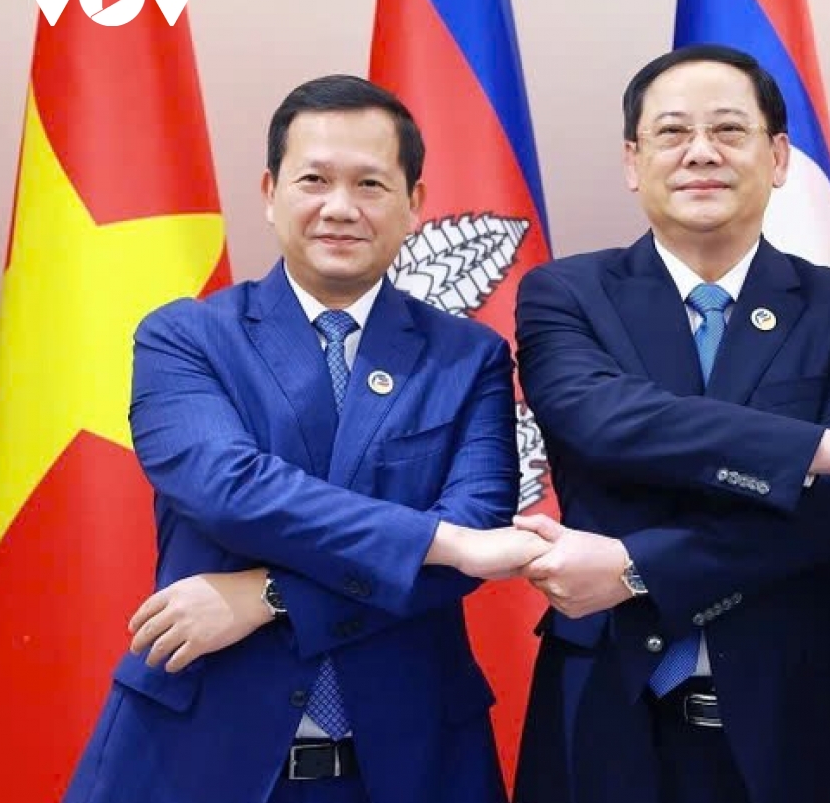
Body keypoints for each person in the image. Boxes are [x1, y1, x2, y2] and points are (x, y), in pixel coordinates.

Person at [64, 75, 547, 803]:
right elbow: (231, 490)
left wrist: (270, 595)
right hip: (196, 752)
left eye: (371, 184)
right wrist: (437, 541)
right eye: (314, 179)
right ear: (269, 191)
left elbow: (476, 534)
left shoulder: (467, 356)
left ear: (416, 203)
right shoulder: (184, 338)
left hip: (411, 758)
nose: (340, 207)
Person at [509, 44, 830, 803]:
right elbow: (605, 424)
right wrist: (819, 450)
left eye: (729, 131)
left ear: (778, 157)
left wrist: (637, 569)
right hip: (608, 697)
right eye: (672, 133)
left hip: (799, 710)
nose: (701, 152)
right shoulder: (564, 294)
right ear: (634, 161)